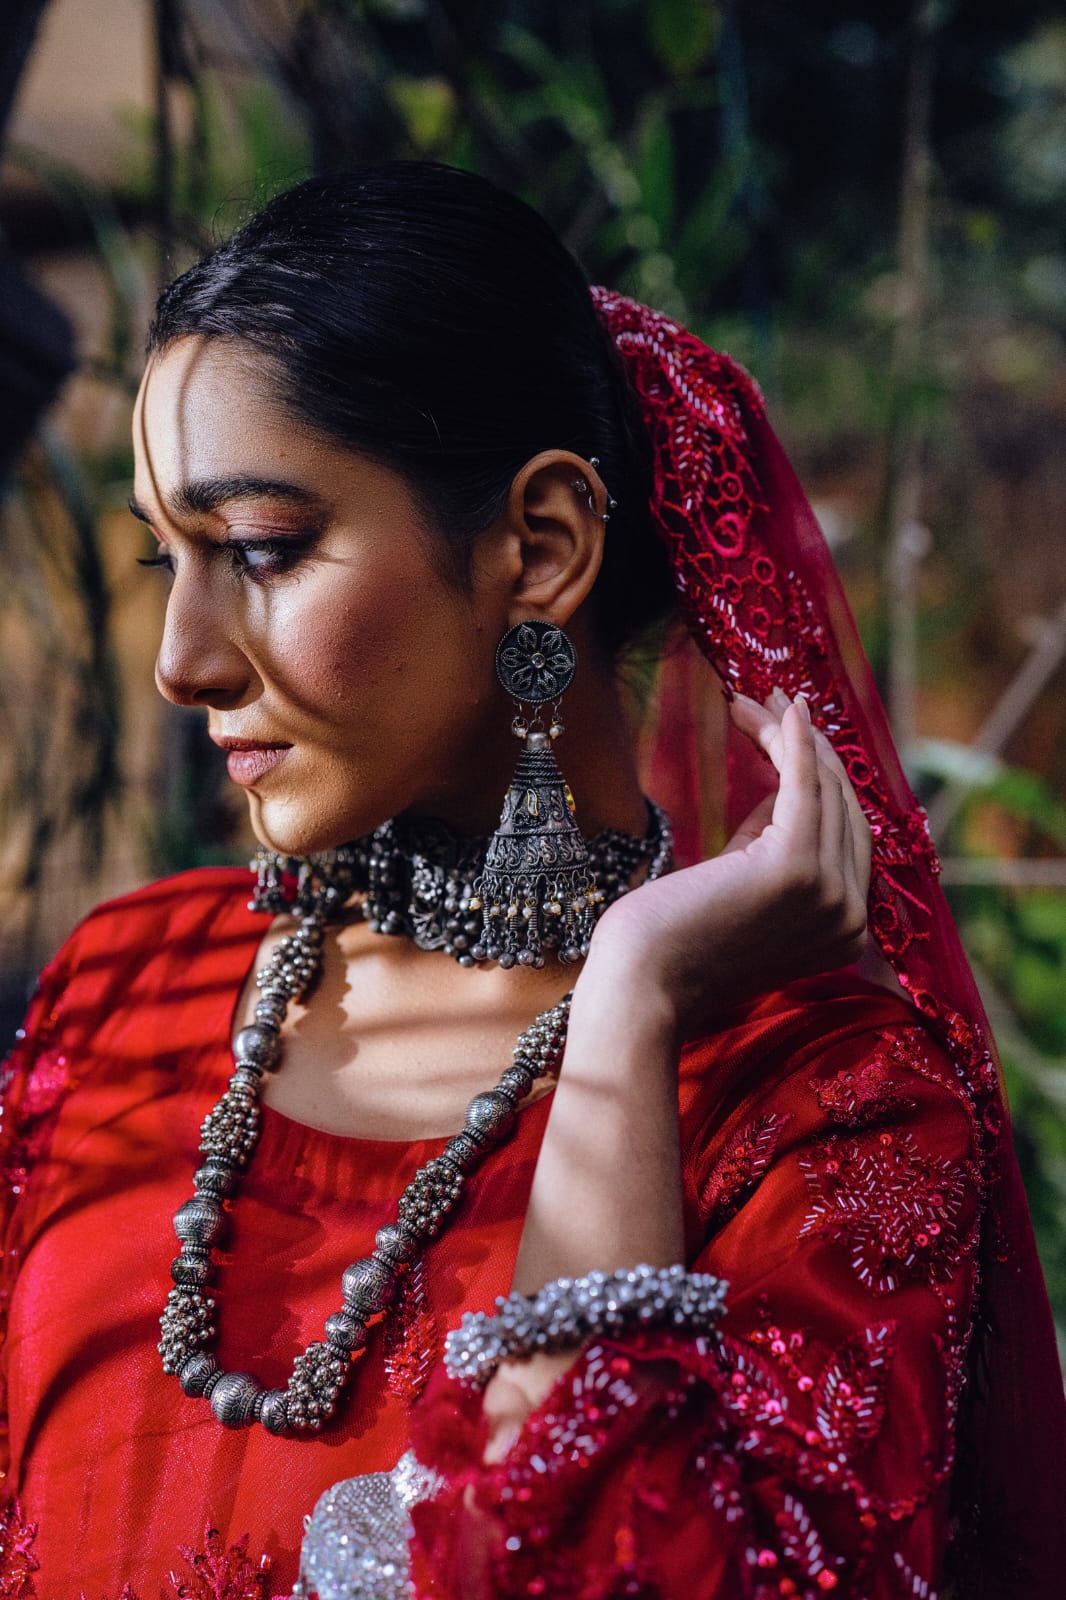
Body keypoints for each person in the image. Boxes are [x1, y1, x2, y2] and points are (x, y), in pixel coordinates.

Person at [0, 162, 1062, 1600]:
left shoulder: (819, 1111)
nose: (180, 659)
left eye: (257, 550)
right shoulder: (125, 994)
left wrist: (629, 1010)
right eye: (163, 554)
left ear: (541, 545)